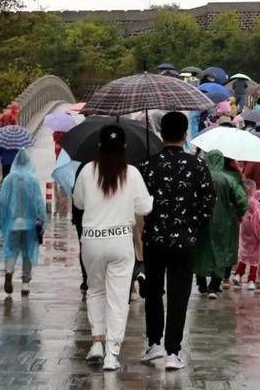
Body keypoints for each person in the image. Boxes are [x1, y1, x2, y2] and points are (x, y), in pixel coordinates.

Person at [137, 112, 214, 370]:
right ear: (184, 134)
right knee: (179, 295)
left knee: (153, 292)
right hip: (184, 242)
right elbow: (207, 204)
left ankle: (153, 344)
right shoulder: (198, 167)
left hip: (154, 240)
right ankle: (173, 351)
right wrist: (193, 227)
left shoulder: (147, 166)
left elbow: (139, 204)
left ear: (162, 133)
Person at [73, 125, 153, 371]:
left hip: (92, 240)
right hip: (120, 240)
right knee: (118, 298)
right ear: (125, 148)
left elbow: (78, 202)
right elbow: (144, 209)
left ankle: (97, 342)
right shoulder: (132, 173)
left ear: (99, 146)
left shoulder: (87, 171)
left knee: (95, 291)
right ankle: (112, 354)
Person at [195, 151, 248, 297]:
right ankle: (214, 286)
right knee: (221, 251)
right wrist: (239, 213)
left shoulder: (199, 176)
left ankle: (201, 283)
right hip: (224, 221)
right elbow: (241, 200)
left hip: (202, 221)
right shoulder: (228, 178)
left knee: (202, 251)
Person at [0, 149, 45, 297]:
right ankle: (25, 284)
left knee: (11, 250)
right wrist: (41, 220)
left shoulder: (9, 179)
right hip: (30, 224)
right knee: (28, 253)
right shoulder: (33, 180)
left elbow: (2, 202)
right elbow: (39, 204)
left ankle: (9, 273)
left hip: (12, 224)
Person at [232, 187, 260, 290]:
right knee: (254, 259)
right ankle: (251, 280)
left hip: (245, 234)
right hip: (254, 236)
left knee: (243, 255)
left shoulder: (243, 204)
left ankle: (238, 274)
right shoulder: (256, 207)